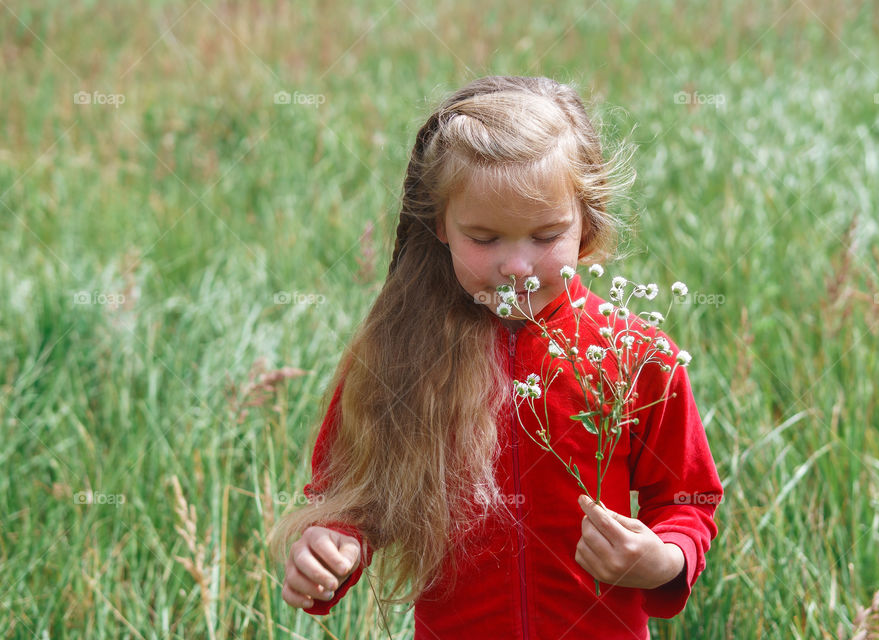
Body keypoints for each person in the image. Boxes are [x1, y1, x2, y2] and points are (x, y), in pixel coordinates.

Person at [268, 75, 723, 639]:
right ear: (440, 226)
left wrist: (662, 560)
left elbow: (687, 499)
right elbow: (351, 497)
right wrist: (331, 546)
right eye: (484, 239)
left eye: (545, 234)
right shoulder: (401, 352)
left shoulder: (635, 355)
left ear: (587, 224)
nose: (516, 265)